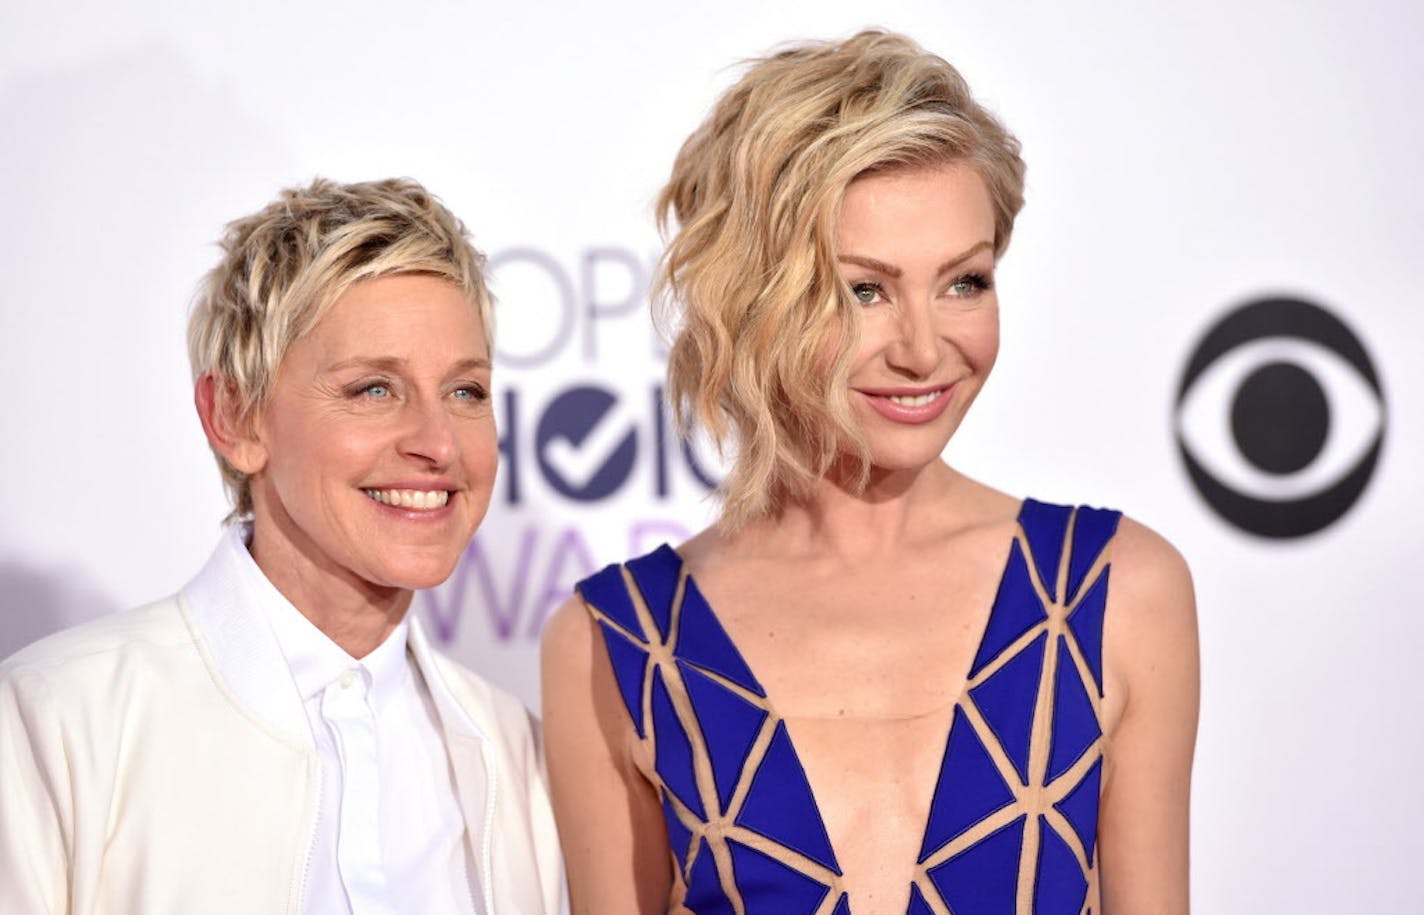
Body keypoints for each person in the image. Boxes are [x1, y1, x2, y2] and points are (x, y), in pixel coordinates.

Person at [541, 30, 1198, 915]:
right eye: (864, 290)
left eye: (964, 281)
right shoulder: (615, 641)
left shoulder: (1117, 590)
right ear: (751, 299)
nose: (925, 349)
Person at [0, 178, 563, 914]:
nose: (436, 443)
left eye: (466, 392)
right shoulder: (59, 718)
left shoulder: (518, 754)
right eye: (372, 390)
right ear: (234, 416)